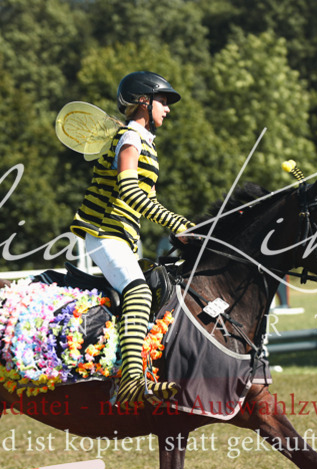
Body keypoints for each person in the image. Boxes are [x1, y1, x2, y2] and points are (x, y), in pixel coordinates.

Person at [69, 71, 195, 405]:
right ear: (144, 101)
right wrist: (175, 222)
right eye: (163, 102)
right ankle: (130, 382)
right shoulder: (130, 138)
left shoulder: (147, 145)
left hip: (124, 238)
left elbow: (149, 201)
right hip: (105, 234)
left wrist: (190, 228)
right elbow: (128, 188)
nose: (166, 110)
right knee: (138, 291)